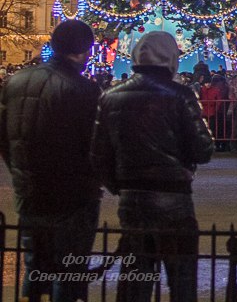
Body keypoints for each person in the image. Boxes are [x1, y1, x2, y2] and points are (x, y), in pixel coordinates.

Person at [91, 30, 215, 302]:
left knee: (136, 276)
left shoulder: (111, 96)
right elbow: (203, 149)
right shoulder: (180, 95)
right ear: (169, 59)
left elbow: (99, 156)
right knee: (182, 277)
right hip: (175, 196)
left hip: (132, 199)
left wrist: (122, 186)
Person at [0, 20, 101, 302]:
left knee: (35, 266)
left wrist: (20, 172)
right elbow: (94, 147)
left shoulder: (15, 82)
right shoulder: (83, 89)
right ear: (82, 51)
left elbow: (4, 138)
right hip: (72, 197)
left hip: (29, 191)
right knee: (69, 271)